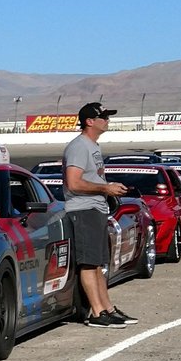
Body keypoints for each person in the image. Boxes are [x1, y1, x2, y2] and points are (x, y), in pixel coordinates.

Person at [62, 102, 136, 328]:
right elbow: (73, 182)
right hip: (83, 210)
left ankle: (107, 308)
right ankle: (96, 312)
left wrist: (107, 189)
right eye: (103, 117)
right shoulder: (79, 146)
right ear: (89, 122)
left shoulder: (92, 146)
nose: (107, 120)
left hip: (95, 209)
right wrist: (105, 188)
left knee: (97, 264)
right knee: (88, 263)